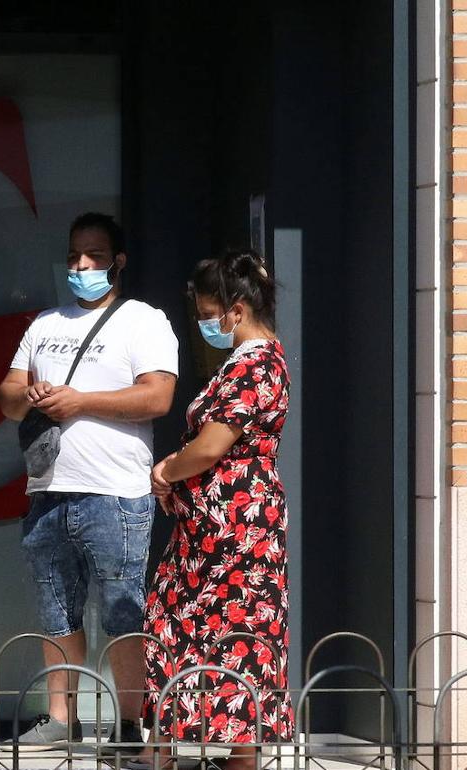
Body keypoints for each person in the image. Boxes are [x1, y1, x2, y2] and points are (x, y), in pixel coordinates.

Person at [0, 212, 178, 750]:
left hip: (116, 492)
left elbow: (157, 396)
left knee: (123, 609)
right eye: (75, 256)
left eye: (94, 256)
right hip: (48, 488)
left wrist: (80, 402)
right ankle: (60, 719)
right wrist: (29, 396)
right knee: (56, 610)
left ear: (117, 262)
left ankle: (129, 724)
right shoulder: (44, 324)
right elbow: (6, 397)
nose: (82, 266)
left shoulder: (144, 321)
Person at [140, 250, 292, 770]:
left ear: (237, 309)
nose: (206, 323)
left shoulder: (256, 364)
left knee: (232, 626)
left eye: (210, 312)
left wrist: (167, 471)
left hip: (235, 526)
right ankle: (197, 744)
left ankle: (233, 751)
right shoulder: (251, 361)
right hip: (216, 524)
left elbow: (210, 447)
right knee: (202, 620)